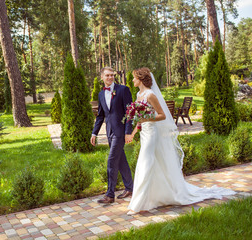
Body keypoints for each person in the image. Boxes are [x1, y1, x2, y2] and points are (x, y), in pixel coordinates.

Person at [127, 67, 235, 213]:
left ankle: (138, 204)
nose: (132, 80)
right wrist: (134, 133)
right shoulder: (139, 94)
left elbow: (162, 115)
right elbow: (139, 119)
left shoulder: (150, 95)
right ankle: (156, 195)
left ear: (140, 79)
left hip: (152, 133)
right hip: (144, 133)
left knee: (145, 163)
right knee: (154, 163)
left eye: (134, 77)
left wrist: (147, 118)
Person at [91, 67, 134, 204]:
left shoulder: (123, 90)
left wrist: (128, 132)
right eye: (107, 75)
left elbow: (130, 113)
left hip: (120, 132)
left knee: (112, 161)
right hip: (109, 132)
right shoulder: (101, 94)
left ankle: (110, 195)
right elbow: (101, 116)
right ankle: (130, 187)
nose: (110, 77)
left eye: (112, 75)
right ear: (102, 77)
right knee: (121, 160)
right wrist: (94, 133)